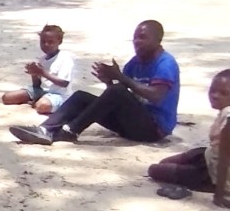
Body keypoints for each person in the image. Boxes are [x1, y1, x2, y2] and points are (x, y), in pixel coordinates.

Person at [9, 20, 178, 146]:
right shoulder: (135, 62)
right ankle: (46, 130)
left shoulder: (165, 63)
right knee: (81, 97)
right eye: (135, 38)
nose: (137, 42)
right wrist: (108, 82)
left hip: (153, 129)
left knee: (118, 89)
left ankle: (71, 131)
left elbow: (156, 96)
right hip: (130, 124)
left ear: (158, 40)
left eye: (142, 38)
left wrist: (121, 79)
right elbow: (121, 99)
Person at [148, 68, 230, 210]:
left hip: (219, 176)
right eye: (213, 90)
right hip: (213, 158)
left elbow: (225, 159)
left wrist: (219, 196)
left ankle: (198, 180)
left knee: (154, 170)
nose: (215, 96)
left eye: (224, 93)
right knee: (168, 162)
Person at [2, 25, 76, 114]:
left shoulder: (65, 59)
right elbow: (37, 85)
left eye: (50, 42)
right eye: (43, 42)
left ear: (59, 41)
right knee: (7, 98)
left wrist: (43, 73)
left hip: (59, 94)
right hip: (43, 91)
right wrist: (34, 74)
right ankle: (38, 100)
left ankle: (41, 102)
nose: (46, 45)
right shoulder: (42, 59)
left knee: (42, 106)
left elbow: (64, 83)